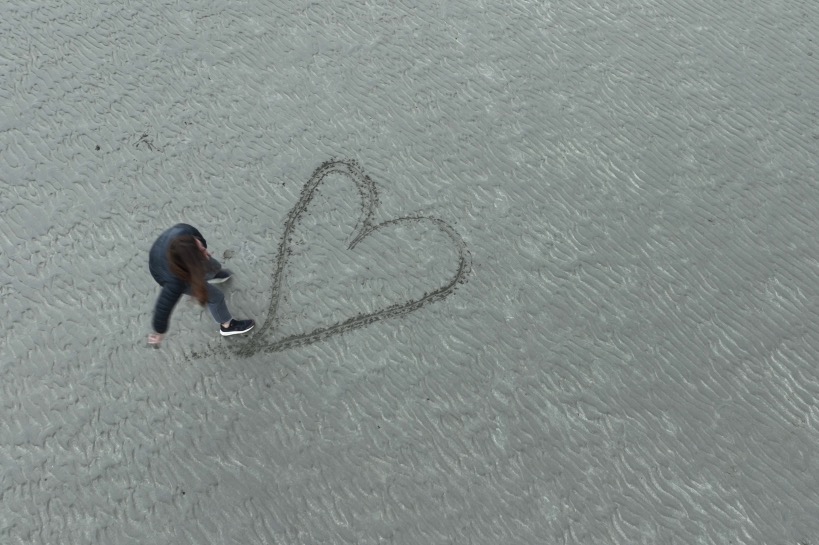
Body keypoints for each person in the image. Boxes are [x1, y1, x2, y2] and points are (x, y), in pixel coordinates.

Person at [147, 223, 254, 347]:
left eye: (202, 247)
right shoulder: (175, 283)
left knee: (213, 265)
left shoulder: (183, 231)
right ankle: (227, 326)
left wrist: (202, 246)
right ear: (192, 262)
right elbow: (163, 308)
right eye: (202, 251)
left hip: (174, 257)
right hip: (166, 271)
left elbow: (196, 236)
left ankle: (213, 274)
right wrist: (159, 331)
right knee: (216, 297)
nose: (207, 251)